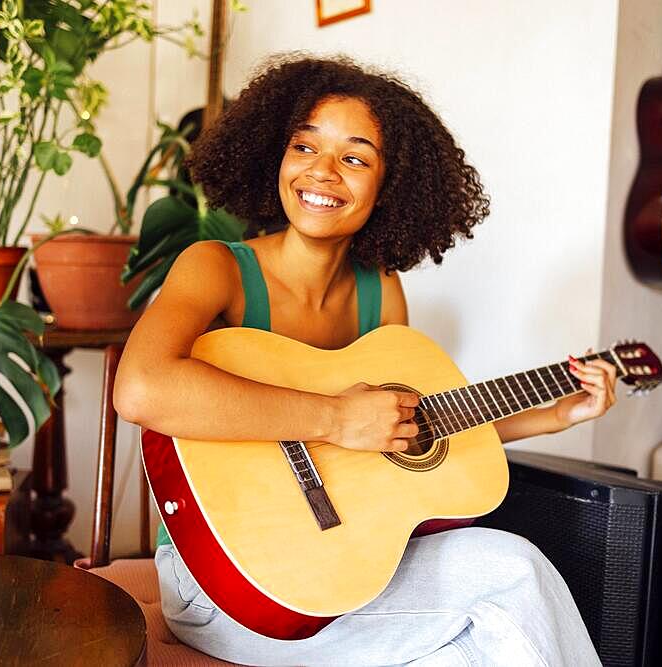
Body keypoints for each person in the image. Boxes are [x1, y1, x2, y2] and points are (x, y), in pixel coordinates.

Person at [114, 54, 613, 667]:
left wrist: (548, 416)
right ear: (275, 156)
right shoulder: (216, 268)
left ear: (390, 185)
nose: (322, 172)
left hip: (345, 569)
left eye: (355, 158)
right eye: (304, 147)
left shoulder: (381, 291)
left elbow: (401, 434)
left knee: (463, 656)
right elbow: (140, 389)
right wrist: (332, 419)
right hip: (226, 581)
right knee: (512, 573)